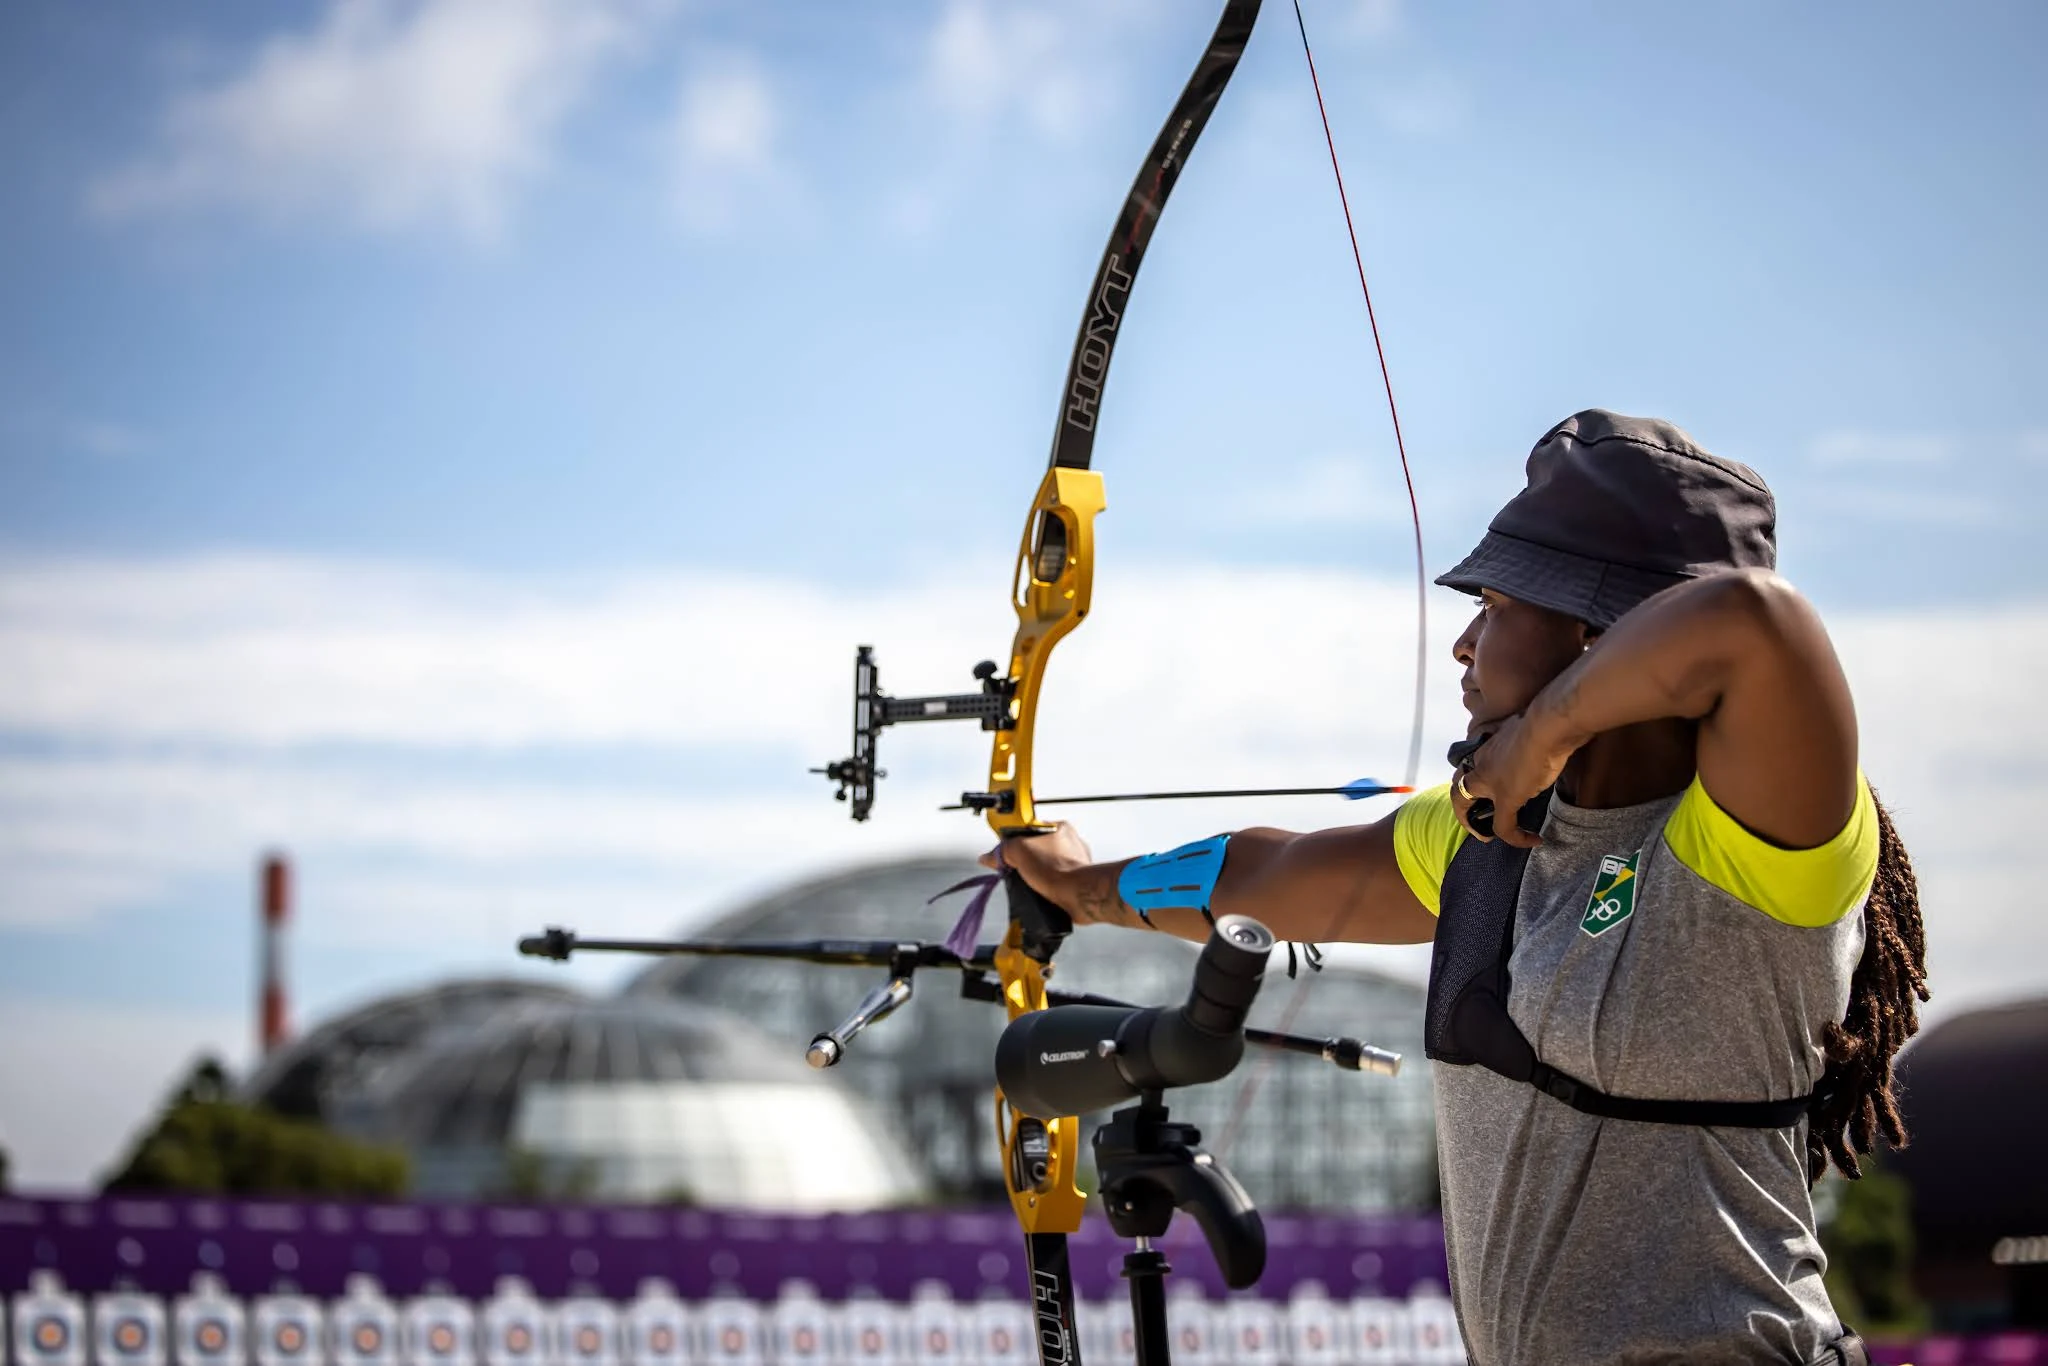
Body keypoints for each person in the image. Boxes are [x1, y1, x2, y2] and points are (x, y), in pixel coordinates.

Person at [989, 410, 1930, 1366]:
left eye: (1499, 604)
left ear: (1597, 629)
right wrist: (1081, 886)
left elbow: (1758, 625)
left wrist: (1540, 734)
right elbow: (1265, 877)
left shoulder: (1762, 845)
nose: (1465, 643)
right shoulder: (1495, 834)